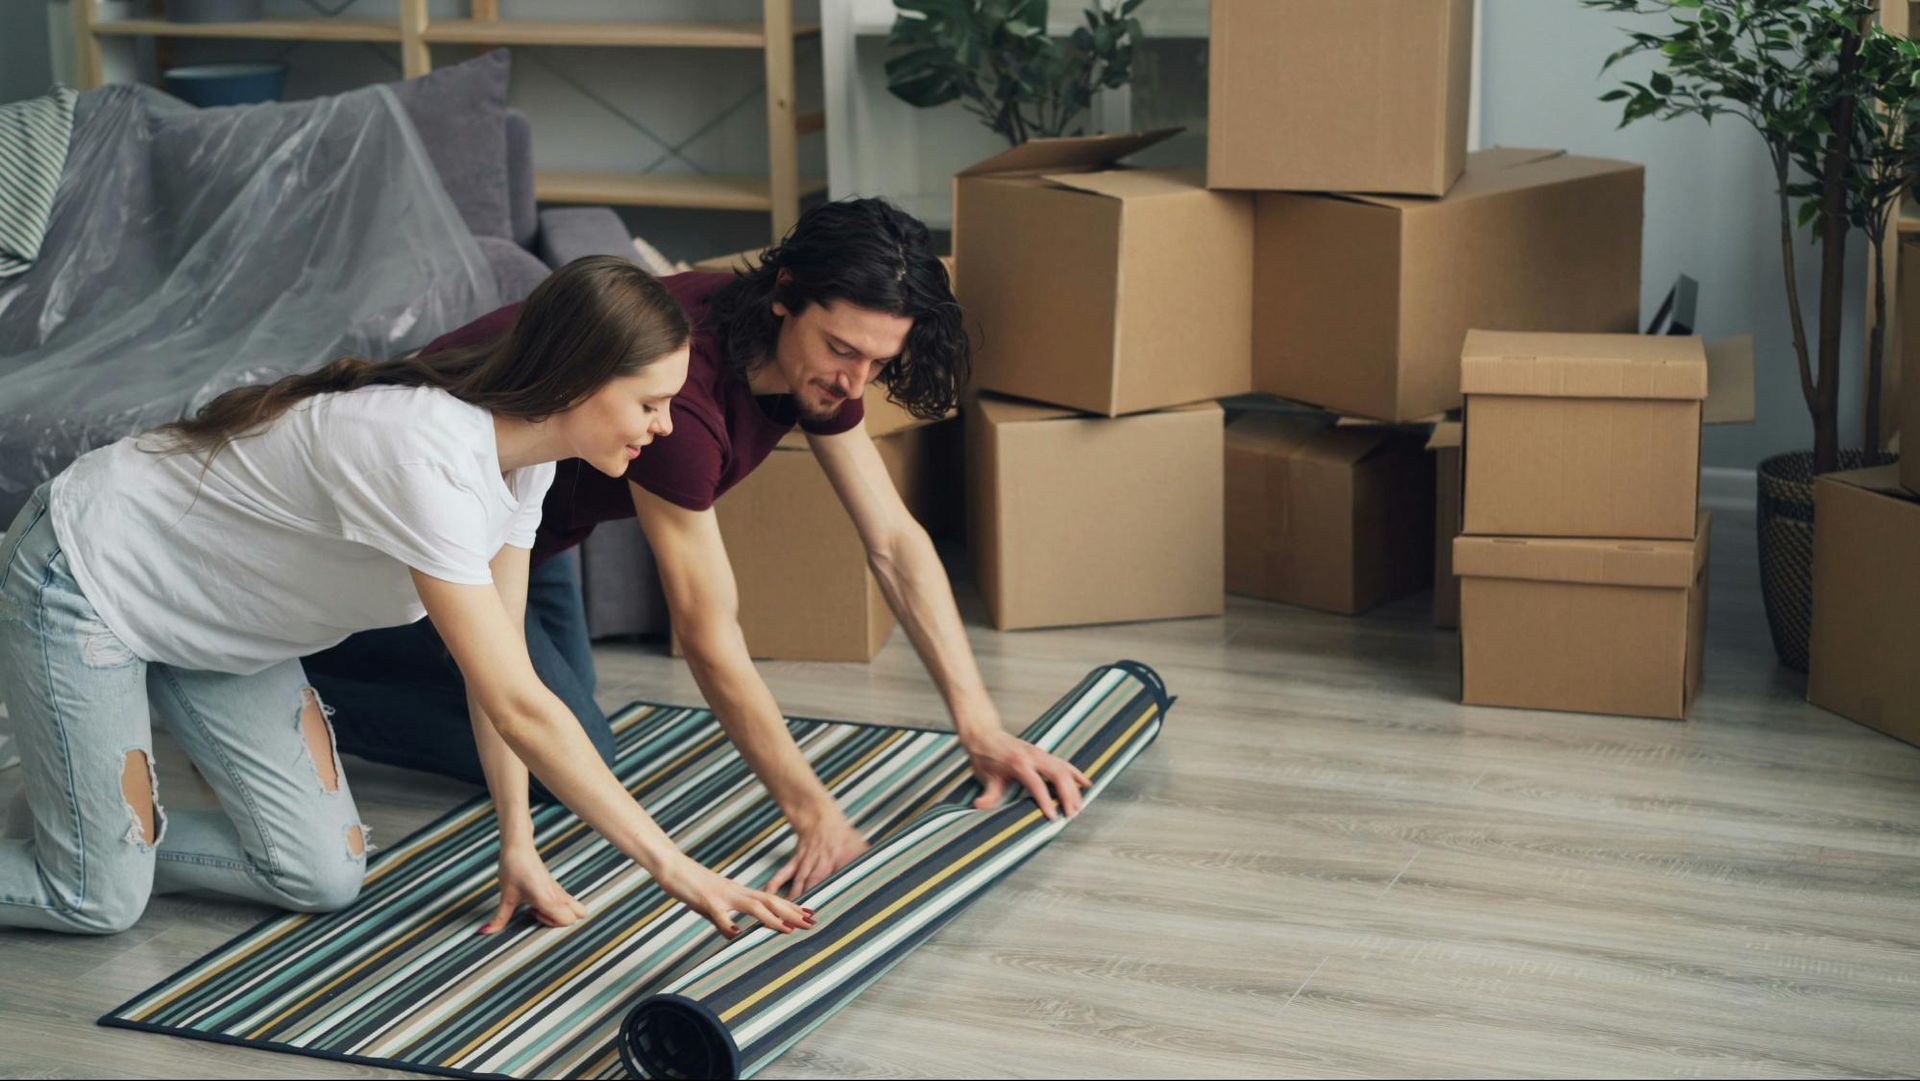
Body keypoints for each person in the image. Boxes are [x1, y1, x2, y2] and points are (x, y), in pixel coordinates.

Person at [310, 198, 1090, 916]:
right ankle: (305, 673)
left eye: (879, 364)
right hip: (414, 522)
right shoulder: (684, 401)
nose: (855, 381)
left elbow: (893, 540)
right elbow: (710, 637)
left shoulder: (811, 354)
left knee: (557, 722)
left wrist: (981, 726)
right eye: (843, 350)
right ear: (786, 293)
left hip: (527, 521)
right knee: (561, 750)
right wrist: (814, 814)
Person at [0, 257, 811, 941]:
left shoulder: (523, 462)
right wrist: (676, 867)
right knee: (97, 899)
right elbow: (523, 707)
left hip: (219, 629)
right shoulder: (428, 457)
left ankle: (91, 828)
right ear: (577, 381)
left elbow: (502, 677)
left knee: (320, 873)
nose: (666, 427)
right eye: (649, 403)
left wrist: (518, 843)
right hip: (88, 576)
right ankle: (94, 848)